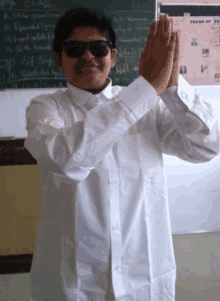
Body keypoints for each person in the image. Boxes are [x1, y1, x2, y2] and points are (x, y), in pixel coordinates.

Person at [24, 6, 219, 301]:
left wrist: (171, 86)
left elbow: (207, 145)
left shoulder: (149, 104)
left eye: (99, 48)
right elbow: (66, 160)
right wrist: (146, 88)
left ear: (112, 56)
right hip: (75, 281)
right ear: (58, 59)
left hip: (144, 277)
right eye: (75, 49)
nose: (88, 57)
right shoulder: (45, 108)